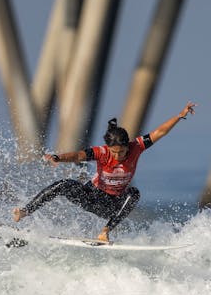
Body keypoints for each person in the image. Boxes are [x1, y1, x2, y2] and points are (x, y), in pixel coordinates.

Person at [13, 102, 197, 242]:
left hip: (112, 205)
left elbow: (160, 132)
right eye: (114, 152)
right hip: (92, 196)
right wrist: (58, 158)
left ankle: (105, 232)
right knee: (64, 184)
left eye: (122, 152)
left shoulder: (137, 147)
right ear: (108, 148)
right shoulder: (102, 152)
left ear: (128, 146)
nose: (117, 156)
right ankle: (24, 211)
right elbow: (78, 154)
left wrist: (179, 116)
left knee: (134, 193)